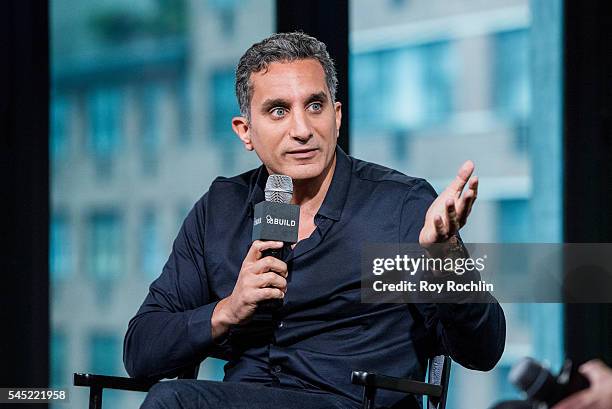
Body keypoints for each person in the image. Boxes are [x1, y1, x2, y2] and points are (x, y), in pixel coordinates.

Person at [124, 31, 506, 409]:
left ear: (336, 116)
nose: (302, 130)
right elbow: (142, 352)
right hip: (244, 398)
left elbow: (482, 350)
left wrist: (446, 255)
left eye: (315, 106)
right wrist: (228, 310)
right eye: (278, 111)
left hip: (349, 403)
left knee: (173, 401)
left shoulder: (398, 206)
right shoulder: (221, 209)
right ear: (246, 131)